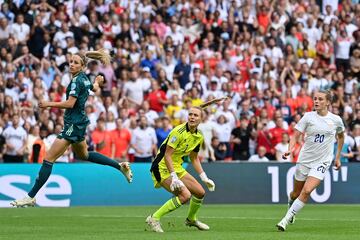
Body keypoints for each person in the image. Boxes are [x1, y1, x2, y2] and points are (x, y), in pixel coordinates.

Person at [10, 50, 133, 207]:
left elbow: (70, 104)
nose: (71, 64)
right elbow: (94, 88)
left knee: (49, 158)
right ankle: (120, 166)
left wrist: (49, 103)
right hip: (78, 122)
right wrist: (97, 81)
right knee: (84, 154)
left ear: (82, 66)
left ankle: (30, 196)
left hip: (73, 125)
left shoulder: (76, 81)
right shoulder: (83, 78)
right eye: (71, 62)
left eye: (75, 62)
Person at [146, 97, 227, 233]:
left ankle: (191, 219)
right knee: (185, 195)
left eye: (196, 115)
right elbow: (167, 155)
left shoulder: (198, 136)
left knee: (200, 192)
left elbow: (194, 158)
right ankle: (154, 218)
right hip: (161, 167)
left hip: (176, 166)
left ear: (201, 119)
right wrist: (174, 177)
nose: (192, 117)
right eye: (190, 114)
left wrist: (204, 177)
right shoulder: (178, 132)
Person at [276, 90, 345, 231]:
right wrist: (290, 149)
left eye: (320, 99)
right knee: (295, 193)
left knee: (307, 191)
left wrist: (337, 157)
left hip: (322, 161)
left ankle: (285, 220)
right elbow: (295, 136)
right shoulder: (308, 117)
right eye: (315, 99)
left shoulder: (336, 119)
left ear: (328, 102)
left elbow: (341, 137)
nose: (316, 101)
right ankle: (291, 205)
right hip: (305, 159)